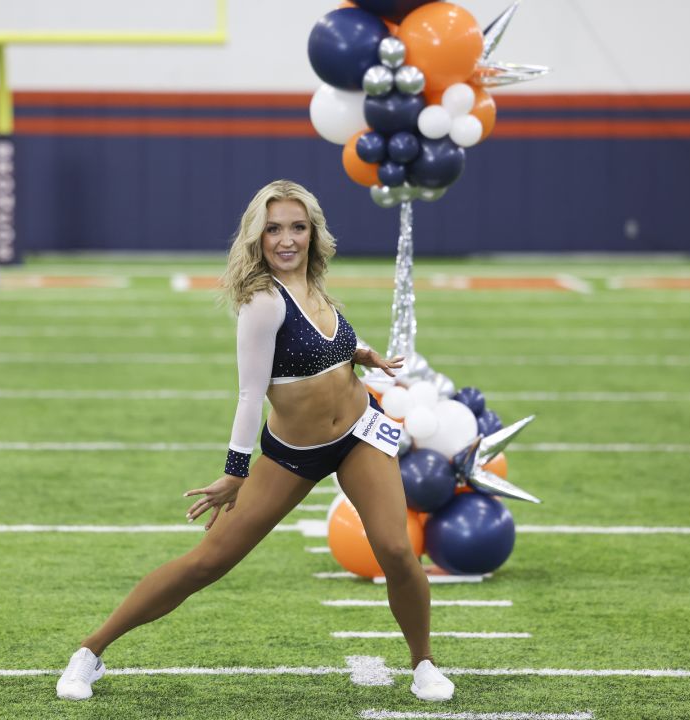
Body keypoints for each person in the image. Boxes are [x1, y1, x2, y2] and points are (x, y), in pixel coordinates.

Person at [56, 179, 455, 702]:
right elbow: (250, 394)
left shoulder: (314, 282)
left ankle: (423, 663)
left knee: (397, 551)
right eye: (274, 229)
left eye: (297, 227)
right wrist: (234, 471)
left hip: (361, 431)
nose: (287, 239)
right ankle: (90, 653)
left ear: (313, 233)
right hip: (293, 454)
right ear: (257, 237)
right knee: (208, 562)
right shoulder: (262, 302)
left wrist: (362, 353)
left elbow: (327, 339)